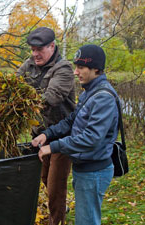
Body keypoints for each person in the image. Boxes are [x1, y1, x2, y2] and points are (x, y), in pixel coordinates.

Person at [32, 44, 118, 225]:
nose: (75, 72)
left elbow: (91, 138)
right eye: (75, 66)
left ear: (96, 69)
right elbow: (72, 120)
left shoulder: (103, 97)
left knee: (86, 221)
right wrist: (47, 134)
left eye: (80, 67)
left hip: (94, 171)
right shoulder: (90, 92)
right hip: (84, 168)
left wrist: (53, 147)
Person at [16, 27, 75, 225]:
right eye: (32, 50)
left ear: (52, 46)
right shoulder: (30, 65)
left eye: (38, 49)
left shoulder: (64, 69)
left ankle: (56, 219)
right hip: (40, 135)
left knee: (55, 185)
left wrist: (22, 104)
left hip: (62, 136)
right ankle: (59, 205)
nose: (34, 54)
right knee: (44, 177)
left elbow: (51, 98)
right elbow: (15, 83)